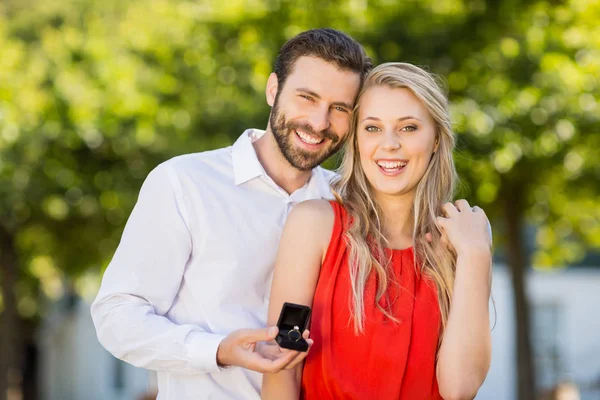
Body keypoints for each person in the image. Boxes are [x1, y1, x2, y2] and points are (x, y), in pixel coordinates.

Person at [90, 28, 372, 399]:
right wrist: (218, 350)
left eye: (339, 108)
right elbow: (116, 316)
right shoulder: (184, 183)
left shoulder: (355, 205)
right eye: (307, 98)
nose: (319, 123)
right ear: (273, 90)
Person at [262, 62, 493, 400]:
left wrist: (475, 255)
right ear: (356, 140)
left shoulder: (462, 241)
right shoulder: (314, 225)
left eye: (409, 128)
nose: (389, 144)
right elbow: (282, 369)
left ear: (435, 140)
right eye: (372, 128)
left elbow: (459, 388)